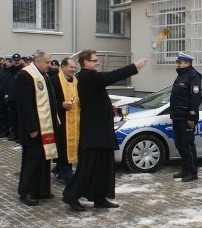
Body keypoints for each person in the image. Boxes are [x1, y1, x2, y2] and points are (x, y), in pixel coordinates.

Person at [62, 50, 147, 211]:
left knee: (103, 166)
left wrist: (111, 108)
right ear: (86, 62)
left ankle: (99, 198)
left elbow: (96, 98)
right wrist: (134, 66)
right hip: (94, 131)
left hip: (102, 129)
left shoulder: (91, 78)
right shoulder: (87, 76)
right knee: (88, 166)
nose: (97, 63)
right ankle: (71, 196)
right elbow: (110, 77)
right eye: (94, 60)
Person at [15, 50, 59, 206]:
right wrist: (32, 127)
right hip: (33, 128)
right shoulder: (25, 75)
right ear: (38, 61)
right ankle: (26, 192)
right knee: (32, 159)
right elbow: (24, 104)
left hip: (45, 125)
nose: (49, 65)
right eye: (47, 62)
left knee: (44, 158)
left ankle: (41, 190)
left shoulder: (43, 75)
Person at [170, 52, 202, 182]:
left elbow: (196, 98)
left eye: (180, 62)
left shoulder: (193, 76)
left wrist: (192, 117)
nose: (177, 64)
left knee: (188, 145)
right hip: (177, 116)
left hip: (186, 117)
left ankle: (192, 172)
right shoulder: (181, 76)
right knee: (179, 144)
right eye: (177, 62)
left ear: (187, 63)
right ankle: (185, 169)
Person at [50, 57, 80, 182]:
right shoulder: (54, 80)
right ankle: (65, 174)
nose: (73, 70)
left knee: (71, 146)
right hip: (61, 120)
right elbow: (49, 100)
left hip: (75, 119)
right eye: (71, 67)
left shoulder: (76, 80)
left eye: (74, 67)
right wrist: (60, 104)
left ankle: (59, 169)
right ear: (63, 67)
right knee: (62, 146)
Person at [6, 53, 24, 141]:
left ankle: (20, 136)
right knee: (12, 117)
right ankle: (14, 134)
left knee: (19, 118)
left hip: (19, 98)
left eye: (18, 60)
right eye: (15, 60)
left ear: (20, 60)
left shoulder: (23, 70)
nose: (16, 62)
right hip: (11, 97)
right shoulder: (10, 70)